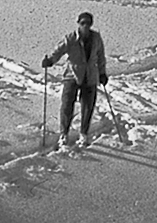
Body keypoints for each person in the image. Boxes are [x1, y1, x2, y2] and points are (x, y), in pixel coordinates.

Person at [42, 11, 108, 147]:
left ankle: (84, 134)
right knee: (67, 104)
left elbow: (100, 57)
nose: (86, 26)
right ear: (78, 23)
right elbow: (58, 51)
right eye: (83, 23)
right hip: (72, 75)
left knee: (88, 106)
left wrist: (102, 73)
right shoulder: (70, 39)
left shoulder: (96, 38)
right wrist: (50, 61)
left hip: (90, 76)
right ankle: (64, 134)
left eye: (88, 23)